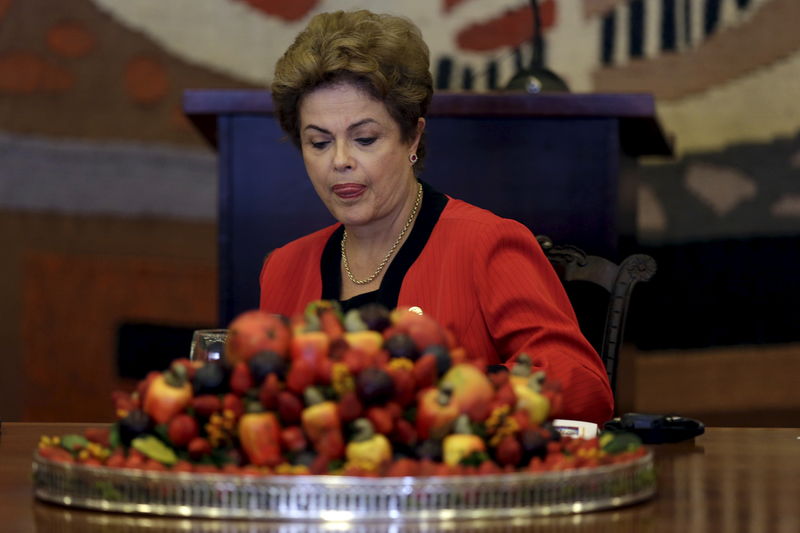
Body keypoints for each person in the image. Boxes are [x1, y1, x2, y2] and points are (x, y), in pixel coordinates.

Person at [259, 10, 613, 424]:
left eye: (365, 138)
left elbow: (585, 388)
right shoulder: (283, 268)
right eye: (318, 143)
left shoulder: (487, 245)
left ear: (413, 136)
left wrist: (448, 391)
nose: (340, 161)